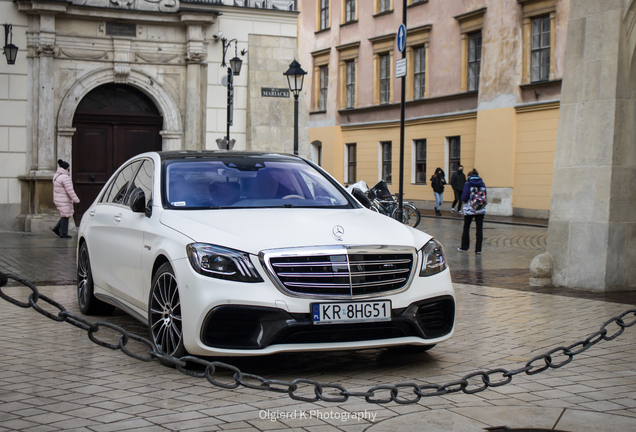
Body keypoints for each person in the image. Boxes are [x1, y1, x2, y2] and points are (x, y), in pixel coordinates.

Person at [458, 169, 487, 254]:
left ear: (469, 176)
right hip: (481, 209)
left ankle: (464, 247)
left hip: (469, 209)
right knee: (479, 229)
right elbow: (485, 196)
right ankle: (478, 249)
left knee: (466, 227)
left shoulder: (468, 184)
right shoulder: (482, 183)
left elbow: (464, 197)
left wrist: (464, 200)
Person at [52, 159, 80, 239]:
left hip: (58, 199)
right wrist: (76, 200)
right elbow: (70, 191)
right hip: (64, 199)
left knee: (65, 215)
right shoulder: (65, 177)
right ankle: (63, 233)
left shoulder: (56, 176)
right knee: (65, 215)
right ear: (67, 168)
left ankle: (57, 228)